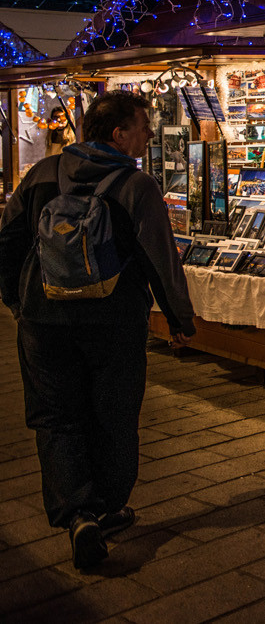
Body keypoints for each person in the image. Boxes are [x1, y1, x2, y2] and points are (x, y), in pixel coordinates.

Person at [0, 90, 197, 570]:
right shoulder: (136, 186)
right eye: (144, 125)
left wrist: (16, 302)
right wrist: (179, 319)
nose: (150, 133)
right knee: (114, 410)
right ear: (119, 134)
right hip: (114, 322)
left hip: (44, 320)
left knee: (55, 416)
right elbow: (160, 260)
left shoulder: (42, 175)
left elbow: (6, 242)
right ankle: (107, 505)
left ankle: (78, 513)